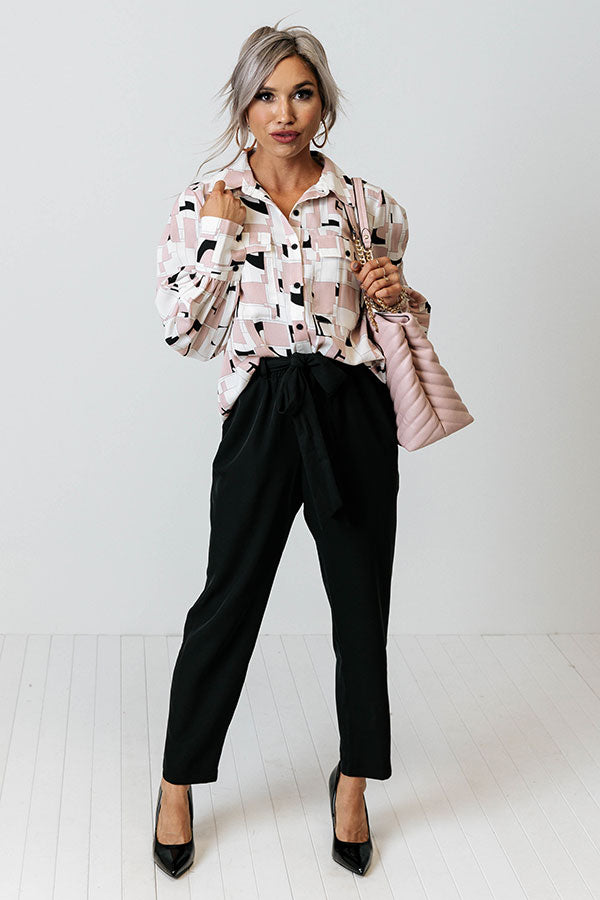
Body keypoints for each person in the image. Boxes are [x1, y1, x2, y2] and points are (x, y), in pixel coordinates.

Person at [152, 19, 428, 880]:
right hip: (262, 413)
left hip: (350, 408)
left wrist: (400, 293)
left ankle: (354, 782)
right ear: (243, 106)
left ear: (323, 104)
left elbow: (403, 318)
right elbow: (183, 335)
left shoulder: (368, 206)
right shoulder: (206, 202)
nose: (284, 112)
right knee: (228, 602)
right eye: (267, 95)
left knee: (361, 608)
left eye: (301, 93)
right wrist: (221, 238)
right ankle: (177, 781)